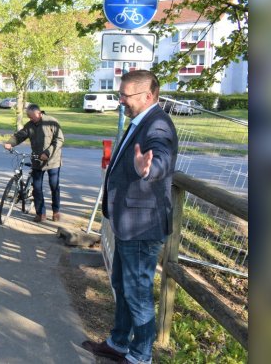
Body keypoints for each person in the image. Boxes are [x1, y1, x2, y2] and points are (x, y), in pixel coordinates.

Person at [81, 70, 179, 364]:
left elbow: (159, 158)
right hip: (130, 225)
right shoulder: (141, 121)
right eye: (120, 94)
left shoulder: (157, 125)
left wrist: (147, 168)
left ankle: (140, 356)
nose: (120, 100)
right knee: (123, 288)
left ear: (147, 96)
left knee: (137, 294)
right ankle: (119, 342)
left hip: (142, 228)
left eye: (125, 95)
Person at [3, 104, 65, 222]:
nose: (29, 119)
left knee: (54, 186)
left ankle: (56, 212)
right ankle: (40, 214)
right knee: (36, 188)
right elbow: (20, 136)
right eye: (28, 117)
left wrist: (47, 153)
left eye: (30, 116)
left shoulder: (51, 122)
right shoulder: (30, 125)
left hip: (53, 160)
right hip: (37, 160)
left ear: (38, 113)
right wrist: (10, 143)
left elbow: (59, 140)